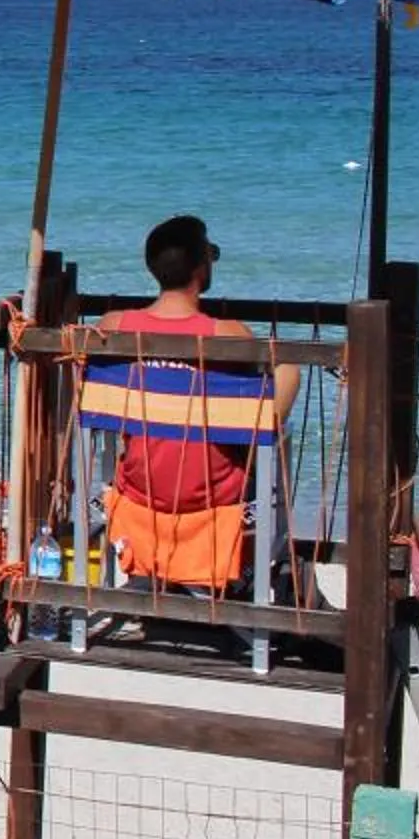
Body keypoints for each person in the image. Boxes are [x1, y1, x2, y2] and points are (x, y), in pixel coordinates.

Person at [101, 214, 299, 590]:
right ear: (200, 268)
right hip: (213, 500)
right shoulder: (227, 335)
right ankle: (247, 563)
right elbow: (282, 376)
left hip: (138, 492)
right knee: (287, 376)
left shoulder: (114, 327)